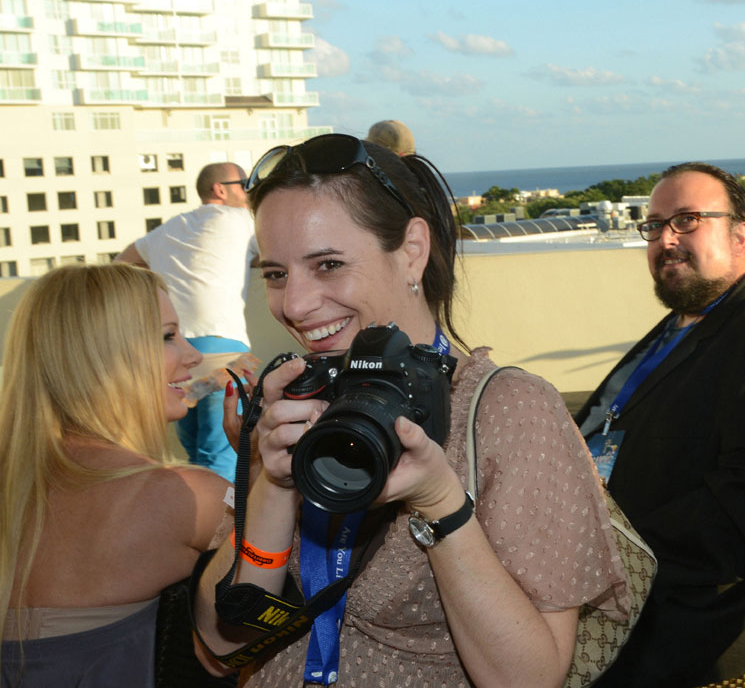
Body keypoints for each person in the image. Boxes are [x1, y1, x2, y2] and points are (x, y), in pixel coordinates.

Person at [190, 133, 629, 687]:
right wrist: (272, 485)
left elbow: (528, 680)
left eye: (327, 264)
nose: (294, 306)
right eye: (276, 274)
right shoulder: (296, 399)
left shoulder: (505, 411)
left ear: (412, 251)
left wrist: (440, 502)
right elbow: (218, 644)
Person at [573, 162, 745, 687]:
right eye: (654, 224)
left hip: (688, 628)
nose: (666, 239)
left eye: (688, 220)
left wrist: (601, 553)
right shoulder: (683, 323)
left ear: (741, 236)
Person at [0, 264, 232, 688]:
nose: (193, 355)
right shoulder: (184, 496)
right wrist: (264, 469)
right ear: (103, 356)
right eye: (167, 336)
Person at [118, 161, 258, 482]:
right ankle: (218, 530)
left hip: (176, 357)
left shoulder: (170, 227)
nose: (250, 191)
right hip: (225, 354)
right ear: (220, 189)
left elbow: (122, 262)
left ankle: (194, 527)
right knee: (222, 450)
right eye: (244, 184)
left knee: (194, 451)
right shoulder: (243, 220)